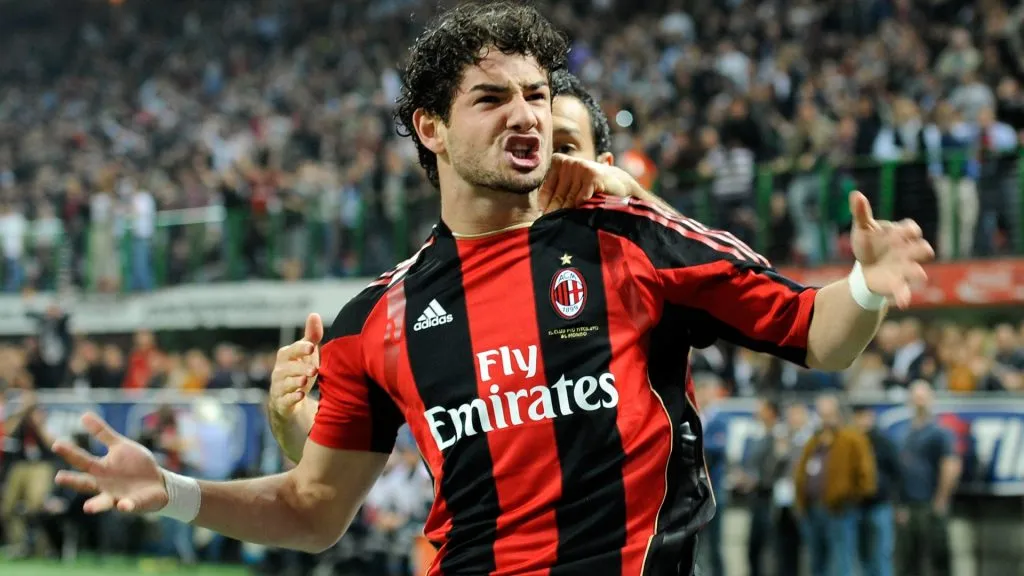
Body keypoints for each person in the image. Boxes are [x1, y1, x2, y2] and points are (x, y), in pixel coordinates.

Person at [51, 3, 932, 576]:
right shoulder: (376, 319)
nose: (528, 114)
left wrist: (868, 281)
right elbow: (314, 509)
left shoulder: (632, 243)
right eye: (493, 98)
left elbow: (818, 333)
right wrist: (172, 489)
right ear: (430, 127)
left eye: (538, 94)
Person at [794, 394, 877, 576]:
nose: (825, 420)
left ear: (838, 415)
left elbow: (866, 476)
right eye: (821, 415)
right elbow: (801, 472)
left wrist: (849, 497)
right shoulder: (814, 442)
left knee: (841, 561)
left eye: (828, 414)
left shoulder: (852, 439)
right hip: (813, 509)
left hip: (840, 510)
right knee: (817, 561)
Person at [895, 380, 961, 576]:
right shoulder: (903, 433)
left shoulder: (940, 433)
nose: (919, 402)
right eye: (916, 398)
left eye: (923, 398)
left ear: (931, 399)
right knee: (908, 561)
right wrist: (899, 505)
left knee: (937, 558)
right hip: (909, 506)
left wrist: (941, 499)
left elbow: (950, 466)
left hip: (930, 504)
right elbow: (899, 472)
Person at [852, 403, 901, 576]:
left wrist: (897, 504)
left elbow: (897, 472)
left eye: (864, 416)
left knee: (881, 554)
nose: (861, 421)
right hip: (857, 506)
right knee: (863, 556)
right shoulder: (851, 442)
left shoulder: (883, 442)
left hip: (880, 504)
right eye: (858, 417)